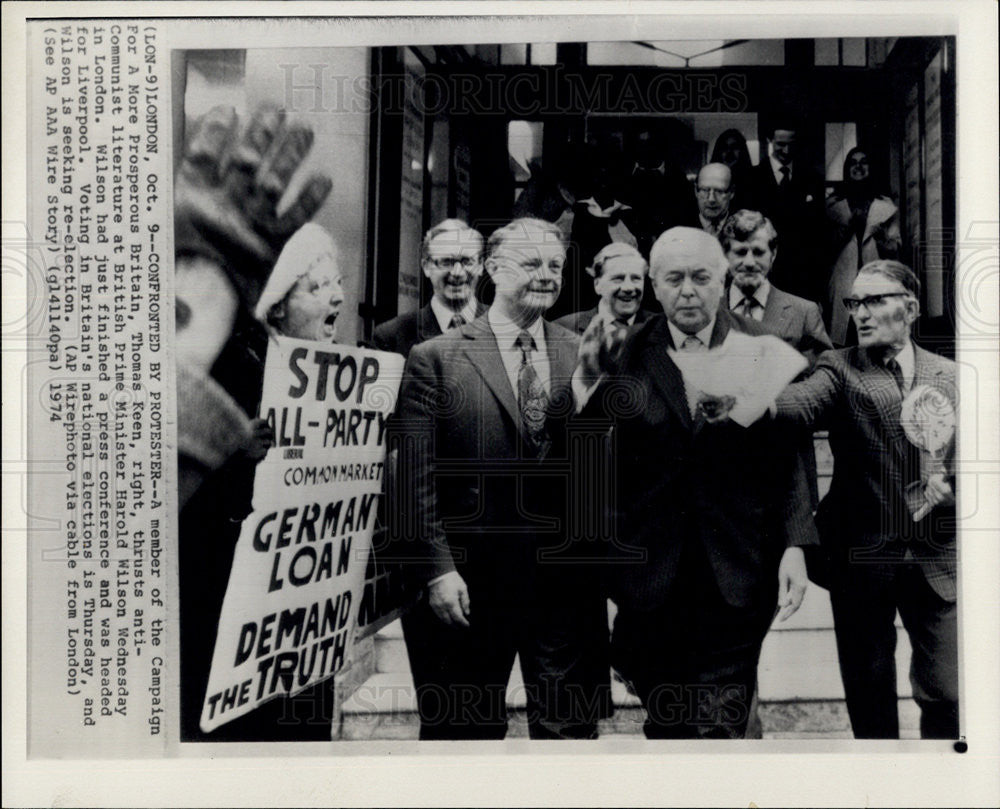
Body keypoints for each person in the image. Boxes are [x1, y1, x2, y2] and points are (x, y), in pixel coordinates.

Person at [574, 227, 815, 739]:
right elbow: (590, 458)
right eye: (674, 279)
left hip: (737, 567)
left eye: (702, 278)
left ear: (723, 280)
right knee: (668, 723)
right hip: (649, 575)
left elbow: (788, 453)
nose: (688, 290)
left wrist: (796, 545)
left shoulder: (758, 347)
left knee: (718, 725)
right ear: (654, 287)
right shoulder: (621, 352)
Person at [390, 217, 611, 740]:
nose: (547, 275)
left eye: (555, 265)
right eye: (531, 263)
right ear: (491, 268)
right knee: (464, 739)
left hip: (562, 584)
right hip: (470, 585)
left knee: (567, 739)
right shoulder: (436, 359)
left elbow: (600, 469)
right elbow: (412, 481)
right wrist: (438, 570)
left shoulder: (581, 351)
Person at [774, 260, 958, 739]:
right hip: (862, 557)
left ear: (911, 308)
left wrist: (953, 487)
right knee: (870, 703)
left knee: (951, 693)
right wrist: (742, 394)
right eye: (855, 303)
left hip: (937, 557)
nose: (860, 313)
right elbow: (798, 405)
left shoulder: (953, 376)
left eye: (875, 300)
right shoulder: (840, 367)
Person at [721, 209, 833, 366]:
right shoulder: (706, 310)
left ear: (773, 255)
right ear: (725, 256)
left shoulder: (804, 313)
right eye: (740, 252)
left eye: (758, 252)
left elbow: (826, 376)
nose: (749, 262)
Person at [372, 219, 487, 356]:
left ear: (480, 266)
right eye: (446, 262)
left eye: (467, 262)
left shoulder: (503, 327)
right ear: (426, 267)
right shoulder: (392, 336)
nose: (457, 272)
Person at [825, 147, 901, 346]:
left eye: (863, 162)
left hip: (874, 276)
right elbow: (823, 250)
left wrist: (883, 239)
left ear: (871, 168)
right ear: (846, 169)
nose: (858, 167)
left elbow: (896, 248)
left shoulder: (886, 206)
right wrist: (846, 228)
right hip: (843, 279)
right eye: (853, 163)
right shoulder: (832, 205)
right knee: (845, 335)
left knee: (874, 335)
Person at [750, 121, 826, 304]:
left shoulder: (812, 179)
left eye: (791, 144)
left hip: (803, 276)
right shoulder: (751, 178)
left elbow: (818, 232)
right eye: (780, 145)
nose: (786, 150)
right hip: (765, 271)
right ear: (769, 141)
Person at [553, 241, 651, 334]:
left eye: (636, 278)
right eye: (618, 278)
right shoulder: (562, 328)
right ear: (597, 284)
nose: (628, 288)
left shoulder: (660, 327)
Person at [710, 128, 759, 214]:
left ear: (742, 151)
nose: (729, 152)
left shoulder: (755, 181)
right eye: (724, 148)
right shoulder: (708, 180)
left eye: (734, 147)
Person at [694, 163, 736, 238]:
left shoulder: (742, 226)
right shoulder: (679, 228)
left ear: (732, 192)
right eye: (705, 190)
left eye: (719, 191)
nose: (711, 199)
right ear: (696, 191)